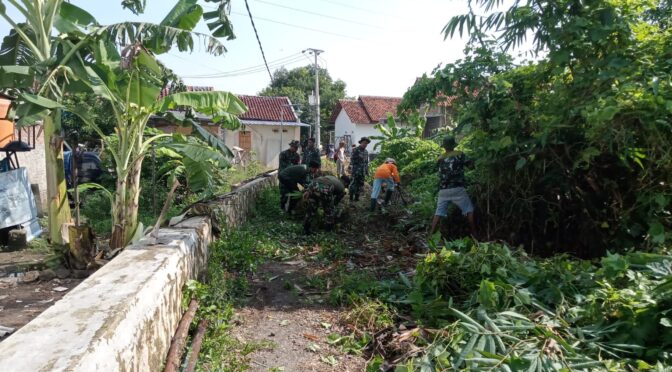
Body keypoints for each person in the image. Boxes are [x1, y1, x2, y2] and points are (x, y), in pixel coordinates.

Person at [429, 135, 476, 237]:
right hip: (458, 188)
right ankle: (474, 233)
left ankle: (430, 235)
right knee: (469, 210)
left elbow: (438, 171)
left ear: (444, 146)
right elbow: (471, 166)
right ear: (453, 145)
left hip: (443, 190)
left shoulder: (440, 158)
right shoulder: (460, 154)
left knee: (439, 213)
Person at [349, 137, 370, 202]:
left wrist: (367, 171)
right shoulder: (355, 150)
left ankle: (356, 198)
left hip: (362, 171)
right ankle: (351, 198)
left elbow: (366, 162)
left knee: (360, 185)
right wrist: (352, 169)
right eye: (364, 143)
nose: (365, 144)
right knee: (353, 184)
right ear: (361, 143)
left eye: (366, 143)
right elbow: (352, 160)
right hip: (356, 171)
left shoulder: (366, 152)